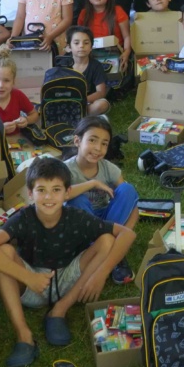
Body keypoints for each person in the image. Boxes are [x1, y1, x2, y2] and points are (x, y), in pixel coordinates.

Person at [0, 157, 135, 367]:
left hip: (69, 280)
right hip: (33, 283)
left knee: (106, 239)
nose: (49, 197)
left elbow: (126, 234)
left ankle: (60, 310)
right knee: (3, 250)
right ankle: (24, 335)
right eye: (41, 190)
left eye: (56, 190)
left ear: (68, 192)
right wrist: (28, 277)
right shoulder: (23, 217)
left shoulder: (76, 217)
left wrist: (101, 273)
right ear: (30, 194)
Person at [64, 116, 139, 285]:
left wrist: (124, 235)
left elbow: (130, 201)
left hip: (109, 218)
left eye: (104, 143)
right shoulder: (66, 170)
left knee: (128, 189)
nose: (98, 148)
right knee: (77, 200)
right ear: (77, 141)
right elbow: (61, 196)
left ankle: (107, 249)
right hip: (82, 222)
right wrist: (93, 183)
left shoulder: (109, 168)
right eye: (92, 140)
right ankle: (107, 252)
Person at [0, 46, 40, 135]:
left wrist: (26, 120)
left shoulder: (18, 95)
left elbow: (34, 114)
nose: (1, 85)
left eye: (6, 80)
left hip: (18, 142)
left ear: (13, 81)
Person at [77, 0, 132, 65]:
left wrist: (126, 52)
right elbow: (80, 37)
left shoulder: (118, 11)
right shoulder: (84, 13)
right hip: (91, 56)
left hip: (114, 55)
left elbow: (127, 36)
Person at [65, 26, 110, 116]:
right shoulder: (63, 66)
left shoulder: (96, 66)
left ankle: (78, 116)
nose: (81, 46)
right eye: (76, 43)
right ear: (69, 47)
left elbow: (101, 92)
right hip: (67, 102)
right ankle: (76, 115)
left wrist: (83, 100)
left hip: (88, 102)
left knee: (102, 105)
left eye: (86, 43)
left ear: (91, 47)